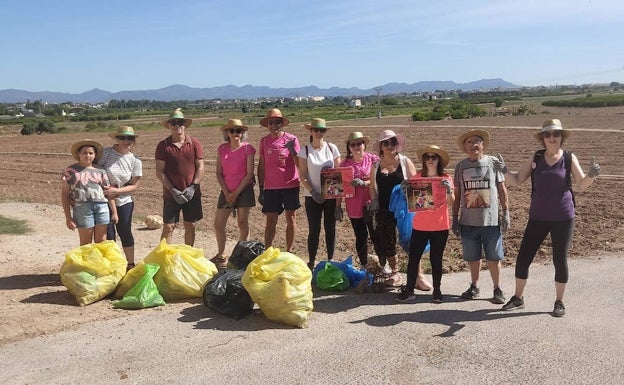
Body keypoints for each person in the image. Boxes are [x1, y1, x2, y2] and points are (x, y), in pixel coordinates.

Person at [497, 119, 600, 317]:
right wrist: (504, 171)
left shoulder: (569, 158)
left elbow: (581, 184)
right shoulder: (536, 156)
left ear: (561, 137)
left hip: (563, 217)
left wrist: (592, 175)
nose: (552, 138)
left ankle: (559, 302)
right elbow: (517, 180)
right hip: (538, 217)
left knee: (559, 260)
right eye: (547, 135)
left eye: (556, 134)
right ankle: (518, 298)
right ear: (543, 138)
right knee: (523, 258)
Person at [368, 130, 432, 289]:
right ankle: (395, 273)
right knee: (388, 241)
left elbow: (416, 185)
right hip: (384, 209)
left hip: (404, 210)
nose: (390, 146)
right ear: (381, 147)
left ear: (398, 145)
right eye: (386, 143)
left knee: (412, 240)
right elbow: (371, 186)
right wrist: (374, 200)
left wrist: (420, 208)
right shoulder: (376, 165)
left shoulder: (405, 162)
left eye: (393, 143)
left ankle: (418, 275)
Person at [452, 129, 509, 304]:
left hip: (490, 221)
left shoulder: (493, 163)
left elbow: (501, 189)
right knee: (473, 258)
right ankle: (474, 286)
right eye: (469, 142)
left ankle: (497, 288)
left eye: (477, 141)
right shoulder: (460, 166)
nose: (473, 145)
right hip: (468, 221)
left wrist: (506, 212)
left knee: (494, 257)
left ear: (483, 145)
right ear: (465, 147)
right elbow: (458, 193)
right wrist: (454, 218)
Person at [396, 145, 454, 303]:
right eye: (427, 157)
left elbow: (450, 203)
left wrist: (449, 191)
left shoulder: (446, 178)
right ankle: (409, 290)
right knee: (413, 258)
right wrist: (404, 189)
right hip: (420, 225)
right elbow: (411, 199)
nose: (430, 160)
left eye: (433, 157)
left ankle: (437, 290)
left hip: (440, 226)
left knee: (436, 259)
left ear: (438, 160)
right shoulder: (418, 177)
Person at [155, 108, 204, 246]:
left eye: (180, 122)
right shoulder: (163, 146)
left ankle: (187, 256)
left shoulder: (194, 143)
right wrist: (173, 190)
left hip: (192, 194)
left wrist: (193, 187)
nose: (177, 125)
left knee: (191, 225)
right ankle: (164, 257)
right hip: (171, 195)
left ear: (185, 125)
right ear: (169, 126)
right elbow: (160, 171)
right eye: (174, 122)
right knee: (169, 227)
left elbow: (200, 166)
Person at [298, 118, 341, 269]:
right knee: (314, 229)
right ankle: (311, 261)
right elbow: (302, 175)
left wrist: (338, 204)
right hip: (312, 197)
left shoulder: (332, 148)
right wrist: (313, 191)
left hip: (330, 195)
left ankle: (331, 259)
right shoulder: (305, 151)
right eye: (315, 130)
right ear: (311, 131)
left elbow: (339, 175)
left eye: (321, 130)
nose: (318, 133)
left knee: (330, 228)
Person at [213, 119, 256, 268]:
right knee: (218, 224)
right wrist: (227, 192)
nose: (235, 133)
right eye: (232, 130)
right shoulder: (222, 149)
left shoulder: (248, 149)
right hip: (226, 190)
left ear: (243, 133)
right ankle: (221, 255)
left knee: (242, 222)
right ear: (227, 133)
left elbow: (250, 173)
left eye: (238, 130)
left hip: (244, 190)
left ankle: (242, 255)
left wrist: (235, 193)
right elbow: (218, 173)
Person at [97, 126, 142, 270]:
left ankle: (130, 264)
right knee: (108, 233)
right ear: (116, 139)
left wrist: (117, 191)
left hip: (124, 201)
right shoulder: (105, 153)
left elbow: (134, 186)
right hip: (103, 201)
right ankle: (112, 265)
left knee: (125, 231)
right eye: (122, 137)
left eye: (130, 138)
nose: (126, 141)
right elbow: (94, 171)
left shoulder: (135, 161)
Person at [257, 108, 301, 252]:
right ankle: (268, 251)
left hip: (290, 185)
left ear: (282, 123)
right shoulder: (264, 141)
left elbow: (300, 163)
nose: (274, 125)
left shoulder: (292, 139)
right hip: (271, 187)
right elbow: (262, 166)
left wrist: (293, 151)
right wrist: (261, 188)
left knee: (291, 218)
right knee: (270, 221)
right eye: (271, 122)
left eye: (277, 122)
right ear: (267, 124)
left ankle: (288, 250)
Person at [61, 139, 117, 246]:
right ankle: (85, 263)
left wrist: (114, 212)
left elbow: (108, 192)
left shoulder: (101, 171)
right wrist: (68, 218)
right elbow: (65, 196)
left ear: (95, 155)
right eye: (84, 153)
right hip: (83, 208)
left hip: (102, 207)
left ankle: (98, 263)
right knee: (86, 243)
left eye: (91, 153)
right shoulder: (71, 171)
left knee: (101, 242)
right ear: (79, 154)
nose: (88, 156)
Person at [337, 132, 379, 269]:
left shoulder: (373, 159)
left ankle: (384, 264)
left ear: (364, 145)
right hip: (354, 206)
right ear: (349, 147)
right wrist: (338, 207)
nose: (356, 147)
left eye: (359, 143)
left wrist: (365, 183)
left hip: (371, 203)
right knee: (360, 236)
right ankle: (363, 265)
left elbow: (379, 179)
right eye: (353, 144)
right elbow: (338, 187)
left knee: (376, 235)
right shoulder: (344, 164)